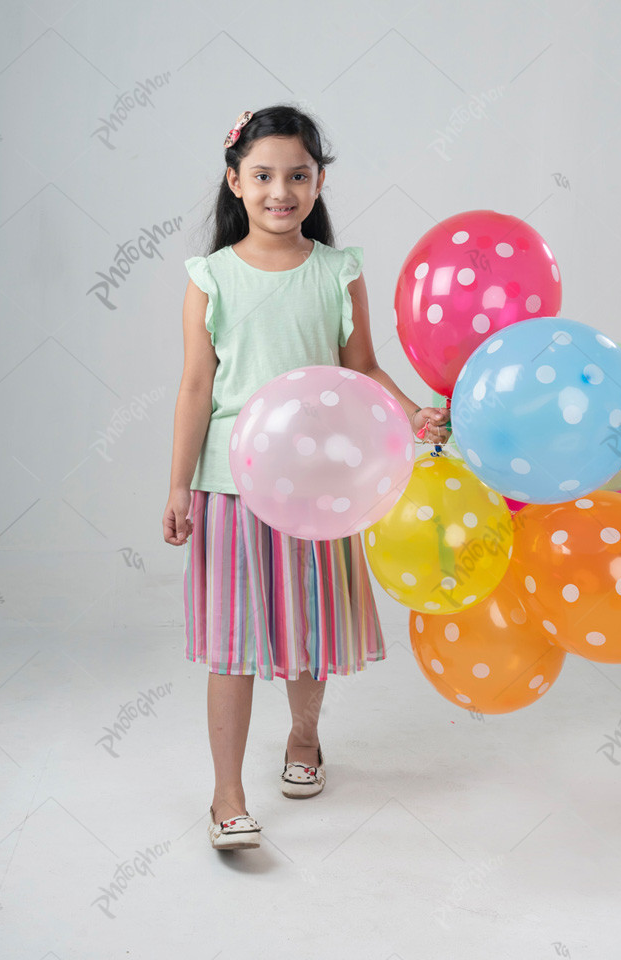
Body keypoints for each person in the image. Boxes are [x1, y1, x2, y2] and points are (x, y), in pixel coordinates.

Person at [163, 104, 450, 851]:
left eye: (297, 175)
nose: (279, 191)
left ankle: (303, 736)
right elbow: (197, 387)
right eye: (261, 176)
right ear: (235, 181)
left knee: (306, 627)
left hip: (321, 483)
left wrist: (412, 411)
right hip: (228, 483)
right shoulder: (211, 278)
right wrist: (177, 486)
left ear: (318, 183)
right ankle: (227, 796)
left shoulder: (336, 271)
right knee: (232, 644)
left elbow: (360, 367)